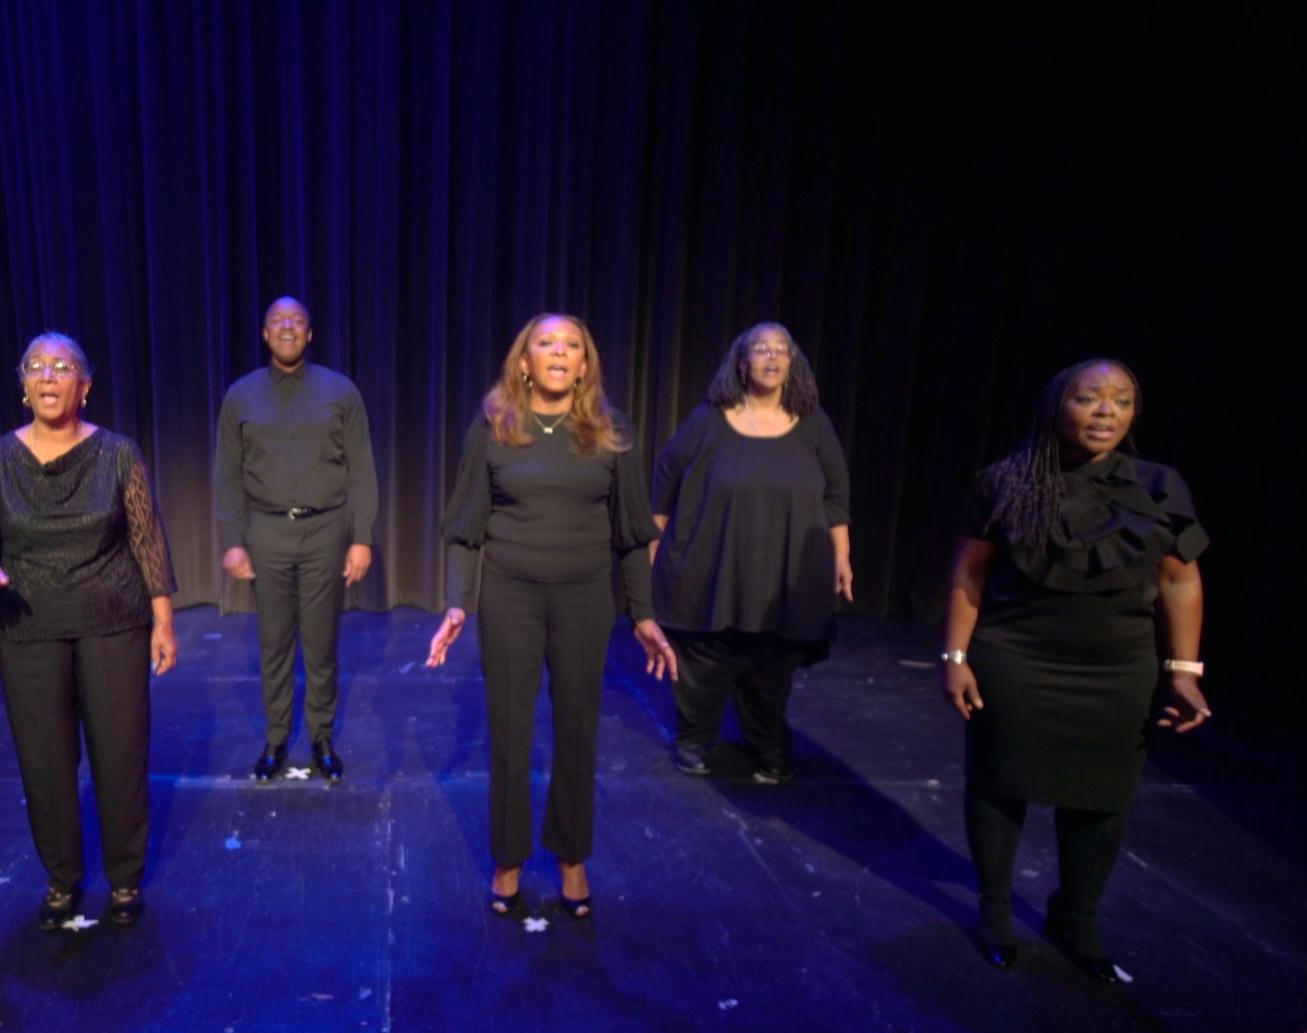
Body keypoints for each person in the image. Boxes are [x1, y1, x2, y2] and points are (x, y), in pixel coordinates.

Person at [941, 358, 1209, 981]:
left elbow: (1180, 580)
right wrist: (955, 658)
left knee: (1103, 797)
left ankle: (1078, 918)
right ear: (1056, 408)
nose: (1106, 412)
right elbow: (970, 575)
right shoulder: (1006, 482)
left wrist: (1185, 671)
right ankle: (996, 910)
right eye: (1090, 399)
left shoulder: (1159, 486)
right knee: (1000, 783)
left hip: (1119, 671)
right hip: (1018, 661)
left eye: (1120, 401)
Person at [426, 313, 678, 919]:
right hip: (510, 597)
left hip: (585, 599)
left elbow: (632, 534)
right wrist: (458, 602)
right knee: (509, 732)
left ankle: (572, 859)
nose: (559, 353)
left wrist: (642, 614)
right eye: (546, 343)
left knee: (577, 730)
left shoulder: (612, 432)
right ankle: (508, 860)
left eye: (572, 346)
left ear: (585, 365)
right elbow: (466, 531)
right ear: (524, 362)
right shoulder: (492, 429)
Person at [0, 332, 178, 931]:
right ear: (24, 386)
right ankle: (63, 878)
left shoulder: (120, 454)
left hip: (112, 619)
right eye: (35, 366)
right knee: (46, 761)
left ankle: (125, 877)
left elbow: (146, 539)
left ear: (86, 384)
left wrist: (163, 621)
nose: (48, 376)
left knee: (120, 753)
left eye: (62, 366)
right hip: (28, 624)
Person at [649, 321, 852, 784]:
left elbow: (837, 496)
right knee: (704, 659)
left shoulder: (814, 425)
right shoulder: (709, 419)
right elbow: (666, 481)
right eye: (761, 349)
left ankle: (769, 748)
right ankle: (695, 740)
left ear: (792, 363)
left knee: (771, 666)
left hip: (782, 570)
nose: (772, 356)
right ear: (742, 363)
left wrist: (841, 555)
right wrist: (649, 547)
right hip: (712, 562)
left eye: (782, 349)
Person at [213, 296, 378, 783]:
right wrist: (233, 540)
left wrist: (361, 536)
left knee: (321, 643)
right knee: (274, 642)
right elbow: (227, 474)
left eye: (297, 321)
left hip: (326, 529)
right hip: (266, 530)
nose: (287, 328)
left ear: (310, 334)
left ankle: (322, 738)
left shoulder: (340, 391)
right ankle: (277, 738)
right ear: (265, 334)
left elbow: (362, 468)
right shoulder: (241, 396)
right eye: (277, 322)